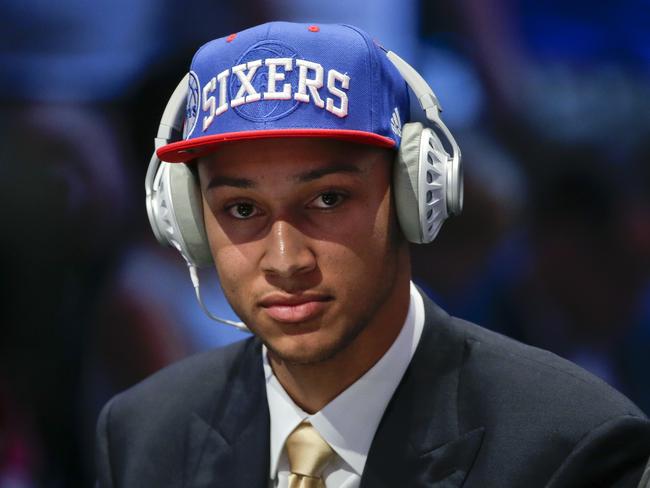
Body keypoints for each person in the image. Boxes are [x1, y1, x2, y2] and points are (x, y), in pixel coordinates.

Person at [95, 21, 650, 487]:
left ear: (416, 197)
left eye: (327, 199)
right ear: (187, 220)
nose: (285, 260)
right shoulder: (140, 436)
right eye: (242, 209)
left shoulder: (572, 448)